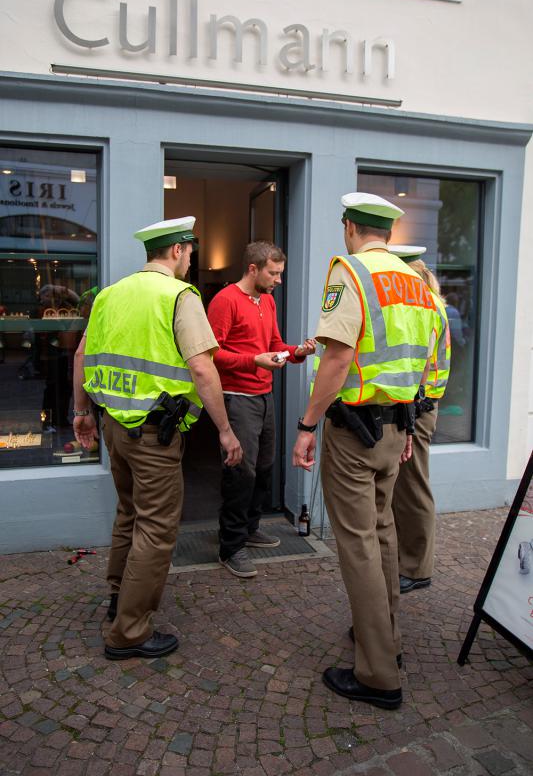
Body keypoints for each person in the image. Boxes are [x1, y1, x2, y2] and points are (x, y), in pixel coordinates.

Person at [292, 193, 440, 709]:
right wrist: (404, 420)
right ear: (390, 234)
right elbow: (425, 361)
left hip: (354, 433)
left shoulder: (351, 273)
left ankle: (378, 674)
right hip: (397, 429)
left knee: (357, 546)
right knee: (382, 536)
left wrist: (307, 424)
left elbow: (337, 358)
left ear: (350, 227)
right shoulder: (417, 285)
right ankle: (386, 643)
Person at [73, 216, 242, 661]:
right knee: (157, 526)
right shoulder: (180, 296)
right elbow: (203, 368)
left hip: (115, 426)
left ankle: (118, 597)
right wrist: (225, 431)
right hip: (153, 436)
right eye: (190, 252)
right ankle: (128, 632)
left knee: (129, 513)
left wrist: (80, 412)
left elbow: (80, 354)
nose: (191, 260)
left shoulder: (111, 293)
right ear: (177, 251)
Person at [207, 240, 316, 578]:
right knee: (241, 472)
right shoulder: (225, 300)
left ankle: (250, 528)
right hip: (236, 398)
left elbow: (274, 347)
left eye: (280, 273)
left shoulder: (267, 301)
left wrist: (297, 351)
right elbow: (211, 353)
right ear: (253, 268)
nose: (278, 280)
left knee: (264, 467)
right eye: (274, 273)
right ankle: (231, 546)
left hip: (264, 396)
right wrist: (253, 360)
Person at [388, 246, 450, 594]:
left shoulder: (424, 305)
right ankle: (408, 561)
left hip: (420, 408)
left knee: (413, 488)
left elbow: (422, 362)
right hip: (420, 406)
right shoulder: (431, 302)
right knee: (407, 486)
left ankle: (416, 567)